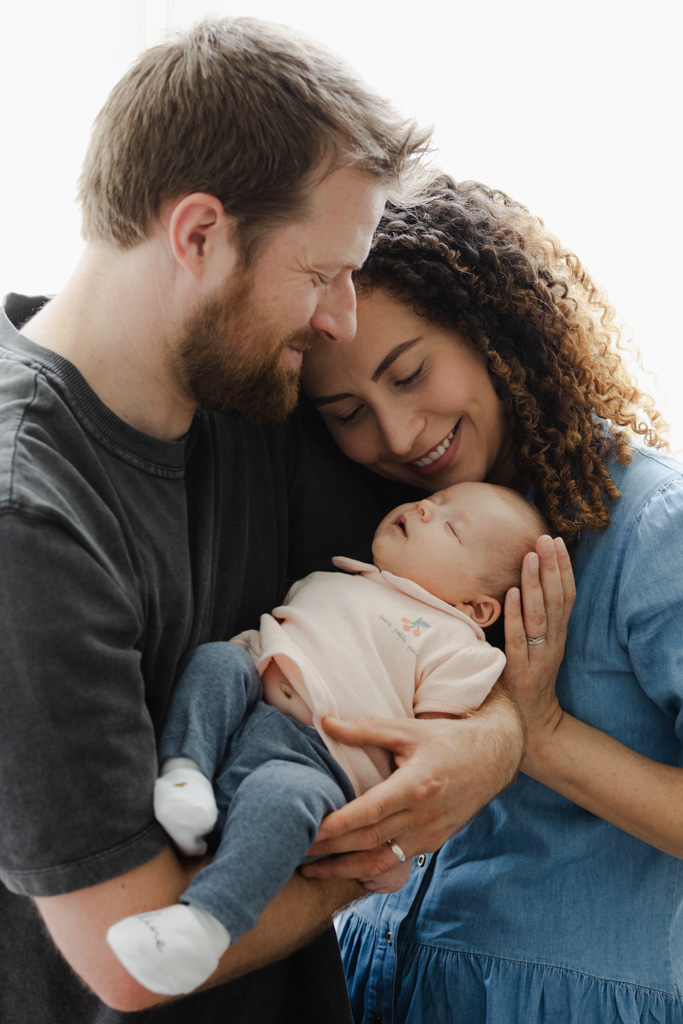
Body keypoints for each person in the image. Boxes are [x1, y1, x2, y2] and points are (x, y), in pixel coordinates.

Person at [0, 17, 442, 1024]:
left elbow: (444, 595)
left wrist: (493, 744)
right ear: (197, 234)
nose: (338, 320)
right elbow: (125, 952)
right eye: (321, 273)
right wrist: (385, 847)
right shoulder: (28, 518)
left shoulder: (249, 395)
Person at [298, 174, 683, 1022]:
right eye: (346, 410)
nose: (396, 436)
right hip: (377, 992)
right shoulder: (389, 533)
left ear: (490, 329)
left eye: (409, 374)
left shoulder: (653, 528)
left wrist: (538, 737)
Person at [106, 481, 548, 997]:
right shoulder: (341, 575)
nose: (426, 508)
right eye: (437, 500)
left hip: (317, 765)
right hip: (250, 703)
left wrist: (400, 850)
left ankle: (202, 925)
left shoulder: (458, 647)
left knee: (282, 799)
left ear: (477, 609)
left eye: (450, 526)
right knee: (217, 661)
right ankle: (185, 775)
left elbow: (434, 762)